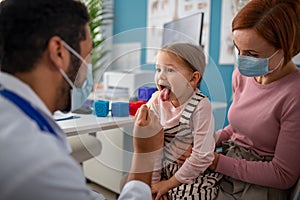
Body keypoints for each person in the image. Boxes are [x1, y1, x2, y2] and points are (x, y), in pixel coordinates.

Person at [0, 0, 163, 199]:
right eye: (87, 55)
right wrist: (144, 155)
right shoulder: (37, 161)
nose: (88, 69)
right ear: (59, 52)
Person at [208, 0, 300, 199]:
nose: (241, 59)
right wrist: (209, 140)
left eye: (251, 54)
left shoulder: (295, 94)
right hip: (230, 162)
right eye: (237, 48)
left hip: (261, 183)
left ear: (286, 48)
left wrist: (216, 163)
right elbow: (240, 127)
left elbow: (283, 174)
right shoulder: (242, 75)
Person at [147, 43, 222, 199]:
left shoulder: (200, 105)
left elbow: (202, 156)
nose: (161, 76)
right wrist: (155, 186)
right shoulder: (155, 102)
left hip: (192, 173)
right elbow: (152, 148)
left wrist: (168, 184)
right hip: (162, 170)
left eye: (170, 70)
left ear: (193, 78)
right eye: (158, 69)